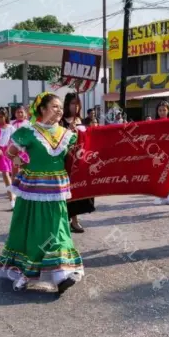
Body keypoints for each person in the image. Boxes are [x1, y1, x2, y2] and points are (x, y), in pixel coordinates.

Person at [0, 92, 84, 294]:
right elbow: (10, 154)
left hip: (57, 189)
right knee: (34, 229)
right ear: (42, 109)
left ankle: (60, 274)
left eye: (61, 107)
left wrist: (80, 144)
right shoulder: (28, 131)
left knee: (58, 227)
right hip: (33, 189)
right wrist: (21, 160)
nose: (60, 110)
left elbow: (78, 158)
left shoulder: (67, 133)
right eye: (55, 106)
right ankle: (28, 270)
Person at [59, 93, 95, 233]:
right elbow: (57, 140)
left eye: (78, 103)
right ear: (67, 104)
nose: (76, 106)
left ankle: (75, 220)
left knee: (79, 191)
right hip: (66, 161)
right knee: (68, 191)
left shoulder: (84, 121)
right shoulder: (61, 121)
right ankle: (68, 220)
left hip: (82, 160)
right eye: (73, 103)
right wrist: (68, 130)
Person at [153, 101, 169, 205]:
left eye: (164, 110)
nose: (162, 112)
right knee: (158, 175)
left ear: (168, 111)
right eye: (160, 110)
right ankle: (159, 196)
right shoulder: (154, 124)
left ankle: (167, 195)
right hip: (157, 154)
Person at [10, 106, 31, 180]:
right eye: (18, 112)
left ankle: (24, 187)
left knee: (25, 169)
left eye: (21, 112)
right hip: (15, 150)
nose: (20, 114)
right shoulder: (11, 123)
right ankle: (14, 187)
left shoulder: (29, 124)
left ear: (25, 114)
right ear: (15, 114)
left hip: (25, 150)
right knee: (15, 169)